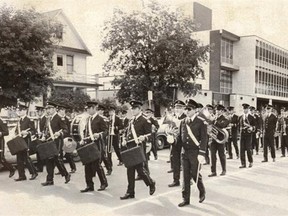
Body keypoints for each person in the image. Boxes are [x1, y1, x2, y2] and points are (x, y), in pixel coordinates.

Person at [120, 100, 156, 200]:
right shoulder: (131, 120)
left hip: (138, 147)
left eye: (135, 108)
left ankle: (151, 183)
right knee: (130, 170)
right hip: (130, 147)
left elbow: (150, 135)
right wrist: (123, 139)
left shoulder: (145, 120)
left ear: (140, 109)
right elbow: (126, 132)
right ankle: (130, 192)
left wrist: (144, 137)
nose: (133, 110)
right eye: (132, 108)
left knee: (140, 170)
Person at [177, 99, 207, 207]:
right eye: (186, 109)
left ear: (195, 110)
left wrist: (202, 153)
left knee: (194, 174)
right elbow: (180, 138)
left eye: (189, 109)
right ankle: (186, 199)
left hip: (195, 152)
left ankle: (201, 190)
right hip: (185, 153)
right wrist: (173, 140)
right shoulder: (183, 122)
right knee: (185, 176)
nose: (187, 111)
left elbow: (204, 139)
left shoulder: (201, 122)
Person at [80, 101, 108, 192]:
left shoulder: (100, 119)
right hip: (88, 144)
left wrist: (99, 135)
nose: (87, 110)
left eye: (88, 108)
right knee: (87, 165)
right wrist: (83, 139)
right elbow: (85, 131)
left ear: (92, 108)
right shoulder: (88, 119)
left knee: (97, 165)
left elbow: (105, 131)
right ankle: (89, 185)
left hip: (96, 144)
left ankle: (103, 182)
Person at [41, 102, 71, 186]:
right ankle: (49, 180)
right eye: (47, 109)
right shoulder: (48, 118)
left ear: (54, 109)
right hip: (49, 141)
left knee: (57, 159)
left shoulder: (59, 118)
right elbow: (45, 129)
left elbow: (65, 130)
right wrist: (44, 136)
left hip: (57, 142)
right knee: (48, 160)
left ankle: (66, 174)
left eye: (49, 109)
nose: (48, 110)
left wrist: (59, 134)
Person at [14, 104, 38, 181]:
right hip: (20, 141)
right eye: (19, 110)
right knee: (19, 159)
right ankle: (22, 175)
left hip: (26, 141)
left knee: (26, 158)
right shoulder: (19, 120)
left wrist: (27, 133)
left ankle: (33, 172)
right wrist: (16, 133)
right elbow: (16, 130)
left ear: (25, 111)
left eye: (21, 110)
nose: (19, 112)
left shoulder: (29, 120)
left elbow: (33, 131)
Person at [168, 100, 186, 187]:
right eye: (176, 107)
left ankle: (188, 179)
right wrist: (169, 132)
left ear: (183, 108)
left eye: (179, 107)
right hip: (175, 142)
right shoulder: (173, 117)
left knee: (185, 162)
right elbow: (170, 127)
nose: (177, 109)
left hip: (184, 142)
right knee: (175, 161)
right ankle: (176, 180)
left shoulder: (186, 117)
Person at [208, 104, 230, 177]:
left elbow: (222, 125)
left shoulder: (225, 119)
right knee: (212, 156)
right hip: (213, 140)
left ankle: (224, 170)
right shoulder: (213, 118)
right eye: (216, 110)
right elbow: (208, 127)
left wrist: (214, 120)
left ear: (222, 111)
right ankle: (213, 171)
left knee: (221, 155)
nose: (217, 112)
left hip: (221, 140)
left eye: (218, 110)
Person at [57, 104, 76, 174]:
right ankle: (61, 169)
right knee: (60, 154)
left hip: (67, 137)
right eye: (61, 110)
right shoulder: (59, 118)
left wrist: (70, 139)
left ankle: (73, 167)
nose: (63, 112)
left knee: (68, 154)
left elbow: (69, 129)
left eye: (64, 110)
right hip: (61, 138)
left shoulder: (67, 118)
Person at [238, 104, 256, 168]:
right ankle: (243, 163)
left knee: (248, 149)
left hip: (248, 135)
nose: (245, 110)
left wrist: (251, 128)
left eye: (246, 109)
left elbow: (254, 126)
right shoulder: (240, 117)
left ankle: (250, 162)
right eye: (244, 109)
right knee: (242, 149)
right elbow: (239, 126)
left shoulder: (251, 117)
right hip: (242, 134)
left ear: (248, 109)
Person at [107, 105, 124, 170]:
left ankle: (121, 159)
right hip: (109, 135)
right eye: (109, 111)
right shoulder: (108, 118)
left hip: (115, 135)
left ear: (113, 111)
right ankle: (109, 164)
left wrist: (115, 127)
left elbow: (121, 126)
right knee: (108, 150)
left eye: (111, 111)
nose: (110, 113)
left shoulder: (117, 118)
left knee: (116, 148)